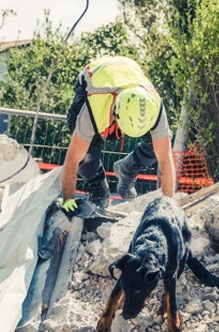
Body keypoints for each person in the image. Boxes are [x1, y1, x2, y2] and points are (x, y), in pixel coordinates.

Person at [59, 55, 176, 215]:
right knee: (85, 155)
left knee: (155, 149)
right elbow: (73, 159)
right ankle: (98, 186)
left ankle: (127, 168)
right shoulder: (95, 106)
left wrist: (169, 206)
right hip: (94, 79)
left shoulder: (155, 108)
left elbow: (165, 161)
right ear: (116, 115)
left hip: (129, 72)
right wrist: (68, 198)